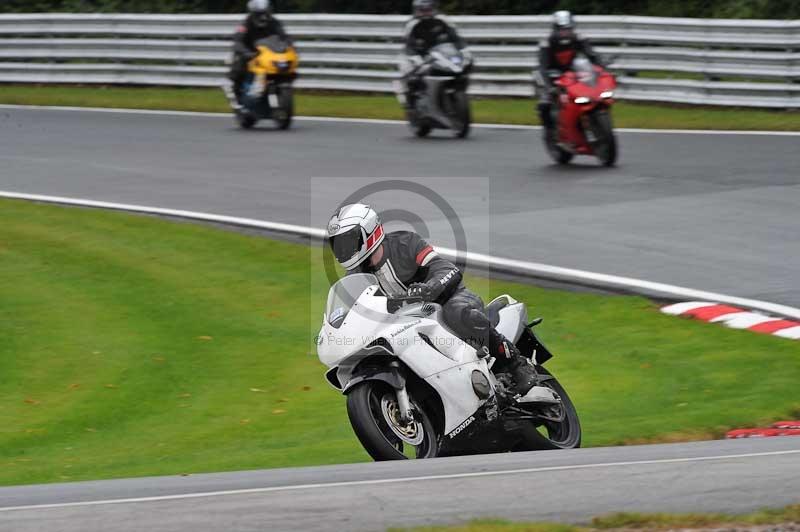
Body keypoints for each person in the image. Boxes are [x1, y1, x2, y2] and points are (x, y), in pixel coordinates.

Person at [327, 203, 538, 397]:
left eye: (348, 241)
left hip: (448, 300)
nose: (344, 249)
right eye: (339, 244)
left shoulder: (405, 243)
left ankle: (515, 364)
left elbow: (447, 269)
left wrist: (430, 287)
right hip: (408, 326)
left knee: (457, 312)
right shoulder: (354, 279)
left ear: (369, 233)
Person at [536, 10, 604, 130]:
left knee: (591, 93)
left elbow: (591, 55)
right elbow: (542, 66)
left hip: (572, 72)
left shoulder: (579, 38)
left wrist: (601, 68)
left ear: (572, 27)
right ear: (555, 28)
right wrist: (549, 87)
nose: (565, 33)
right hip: (552, 73)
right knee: (545, 102)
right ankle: (550, 130)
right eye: (561, 29)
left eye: (567, 29)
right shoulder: (546, 42)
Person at [400, 0, 472, 109]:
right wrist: (417, 61)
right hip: (416, 55)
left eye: (428, 9)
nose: (425, 13)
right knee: (411, 76)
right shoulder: (411, 25)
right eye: (422, 10)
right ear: (416, 10)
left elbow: (456, 39)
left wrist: (465, 52)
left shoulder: (444, 20)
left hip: (439, 54)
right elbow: (408, 47)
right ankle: (410, 102)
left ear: (434, 8)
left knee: (465, 66)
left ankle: (457, 92)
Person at [227, 0, 291, 102]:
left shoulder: (275, 23)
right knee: (239, 60)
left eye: (266, 13)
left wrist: (288, 48)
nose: (264, 17)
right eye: (260, 14)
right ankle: (234, 87)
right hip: (249, 52)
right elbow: (238, 42)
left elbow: (285, 38)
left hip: (268, 53)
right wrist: (247, 53)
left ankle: (274, 88)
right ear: (253, 13)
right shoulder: (245, 25)